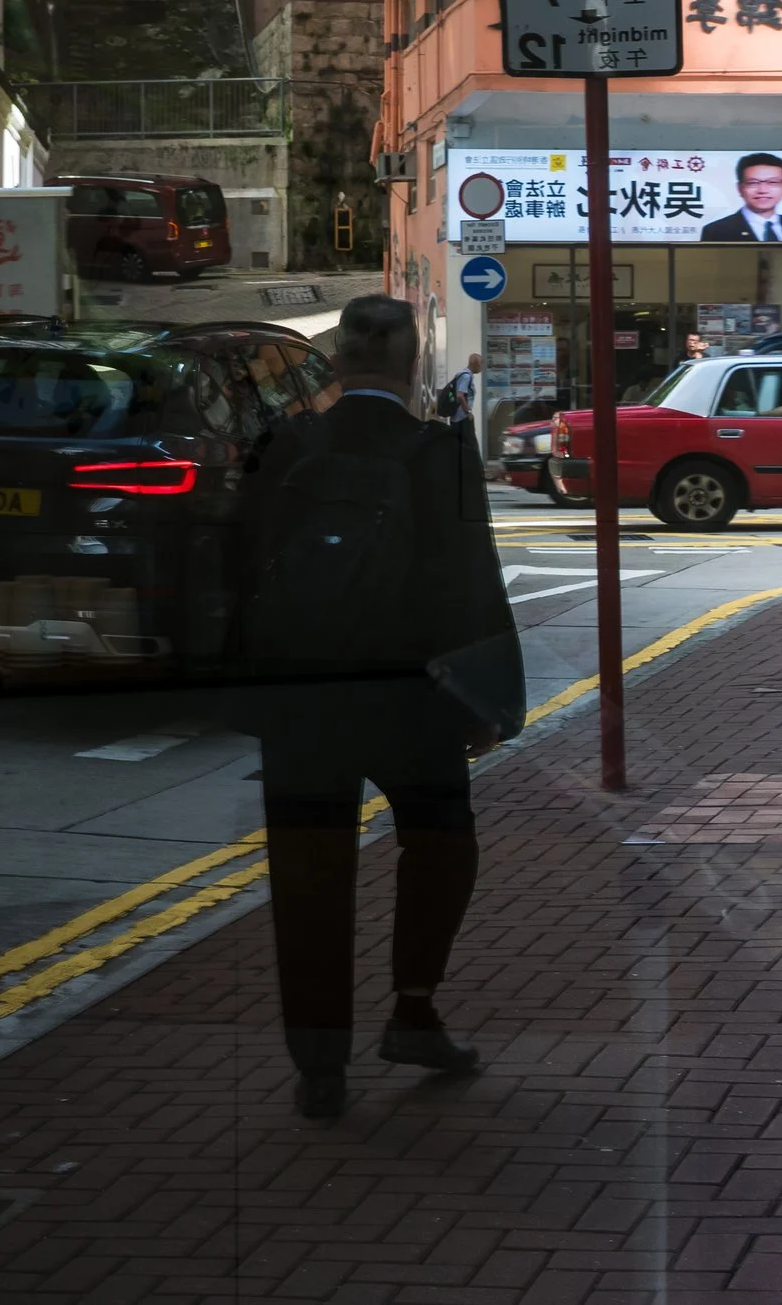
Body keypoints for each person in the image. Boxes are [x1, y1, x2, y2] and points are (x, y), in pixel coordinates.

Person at [241, 296, 521, 1119]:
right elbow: (476, 579)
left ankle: (319, 1067)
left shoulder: (285, 446)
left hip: (304, 702)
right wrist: (487, 702)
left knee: (308, 881)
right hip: (414, 699)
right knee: (440, 851)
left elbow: (242, 568)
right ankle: (413, 1007)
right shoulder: (440, 451)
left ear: (335, 365)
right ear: (411, 368)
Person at [699, 152, 782, 242]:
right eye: (753, 183)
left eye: (773, 182)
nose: (762, 190)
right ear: (740, 188)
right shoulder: (717, 230)